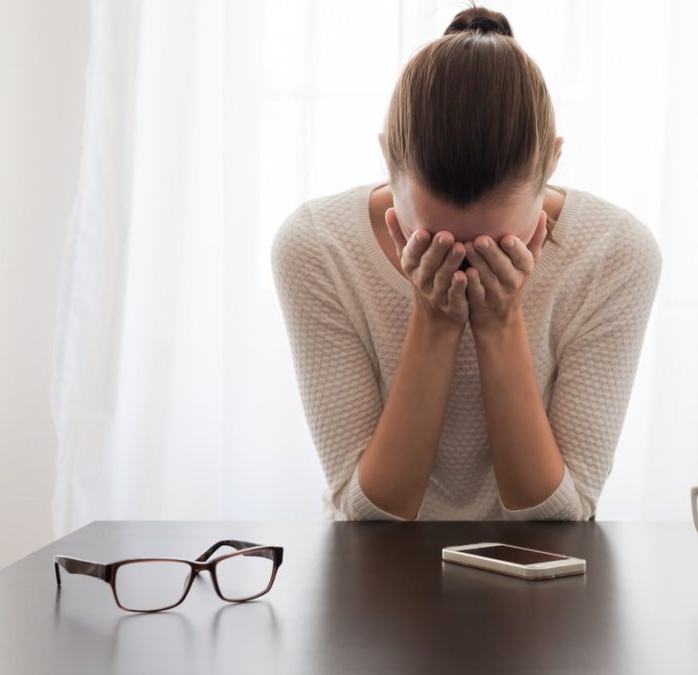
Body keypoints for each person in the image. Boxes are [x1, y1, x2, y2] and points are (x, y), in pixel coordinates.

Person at [271, 4, 662, 522]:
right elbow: (369, 516)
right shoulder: (317, 248)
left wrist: (501, 322)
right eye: (435, 236)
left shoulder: (616, 254)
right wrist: (434, 321)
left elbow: (560, 517)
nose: (463, 261)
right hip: (372, 584)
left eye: (493, 244)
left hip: (542, 591)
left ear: (552, 164)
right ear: (388, 159)